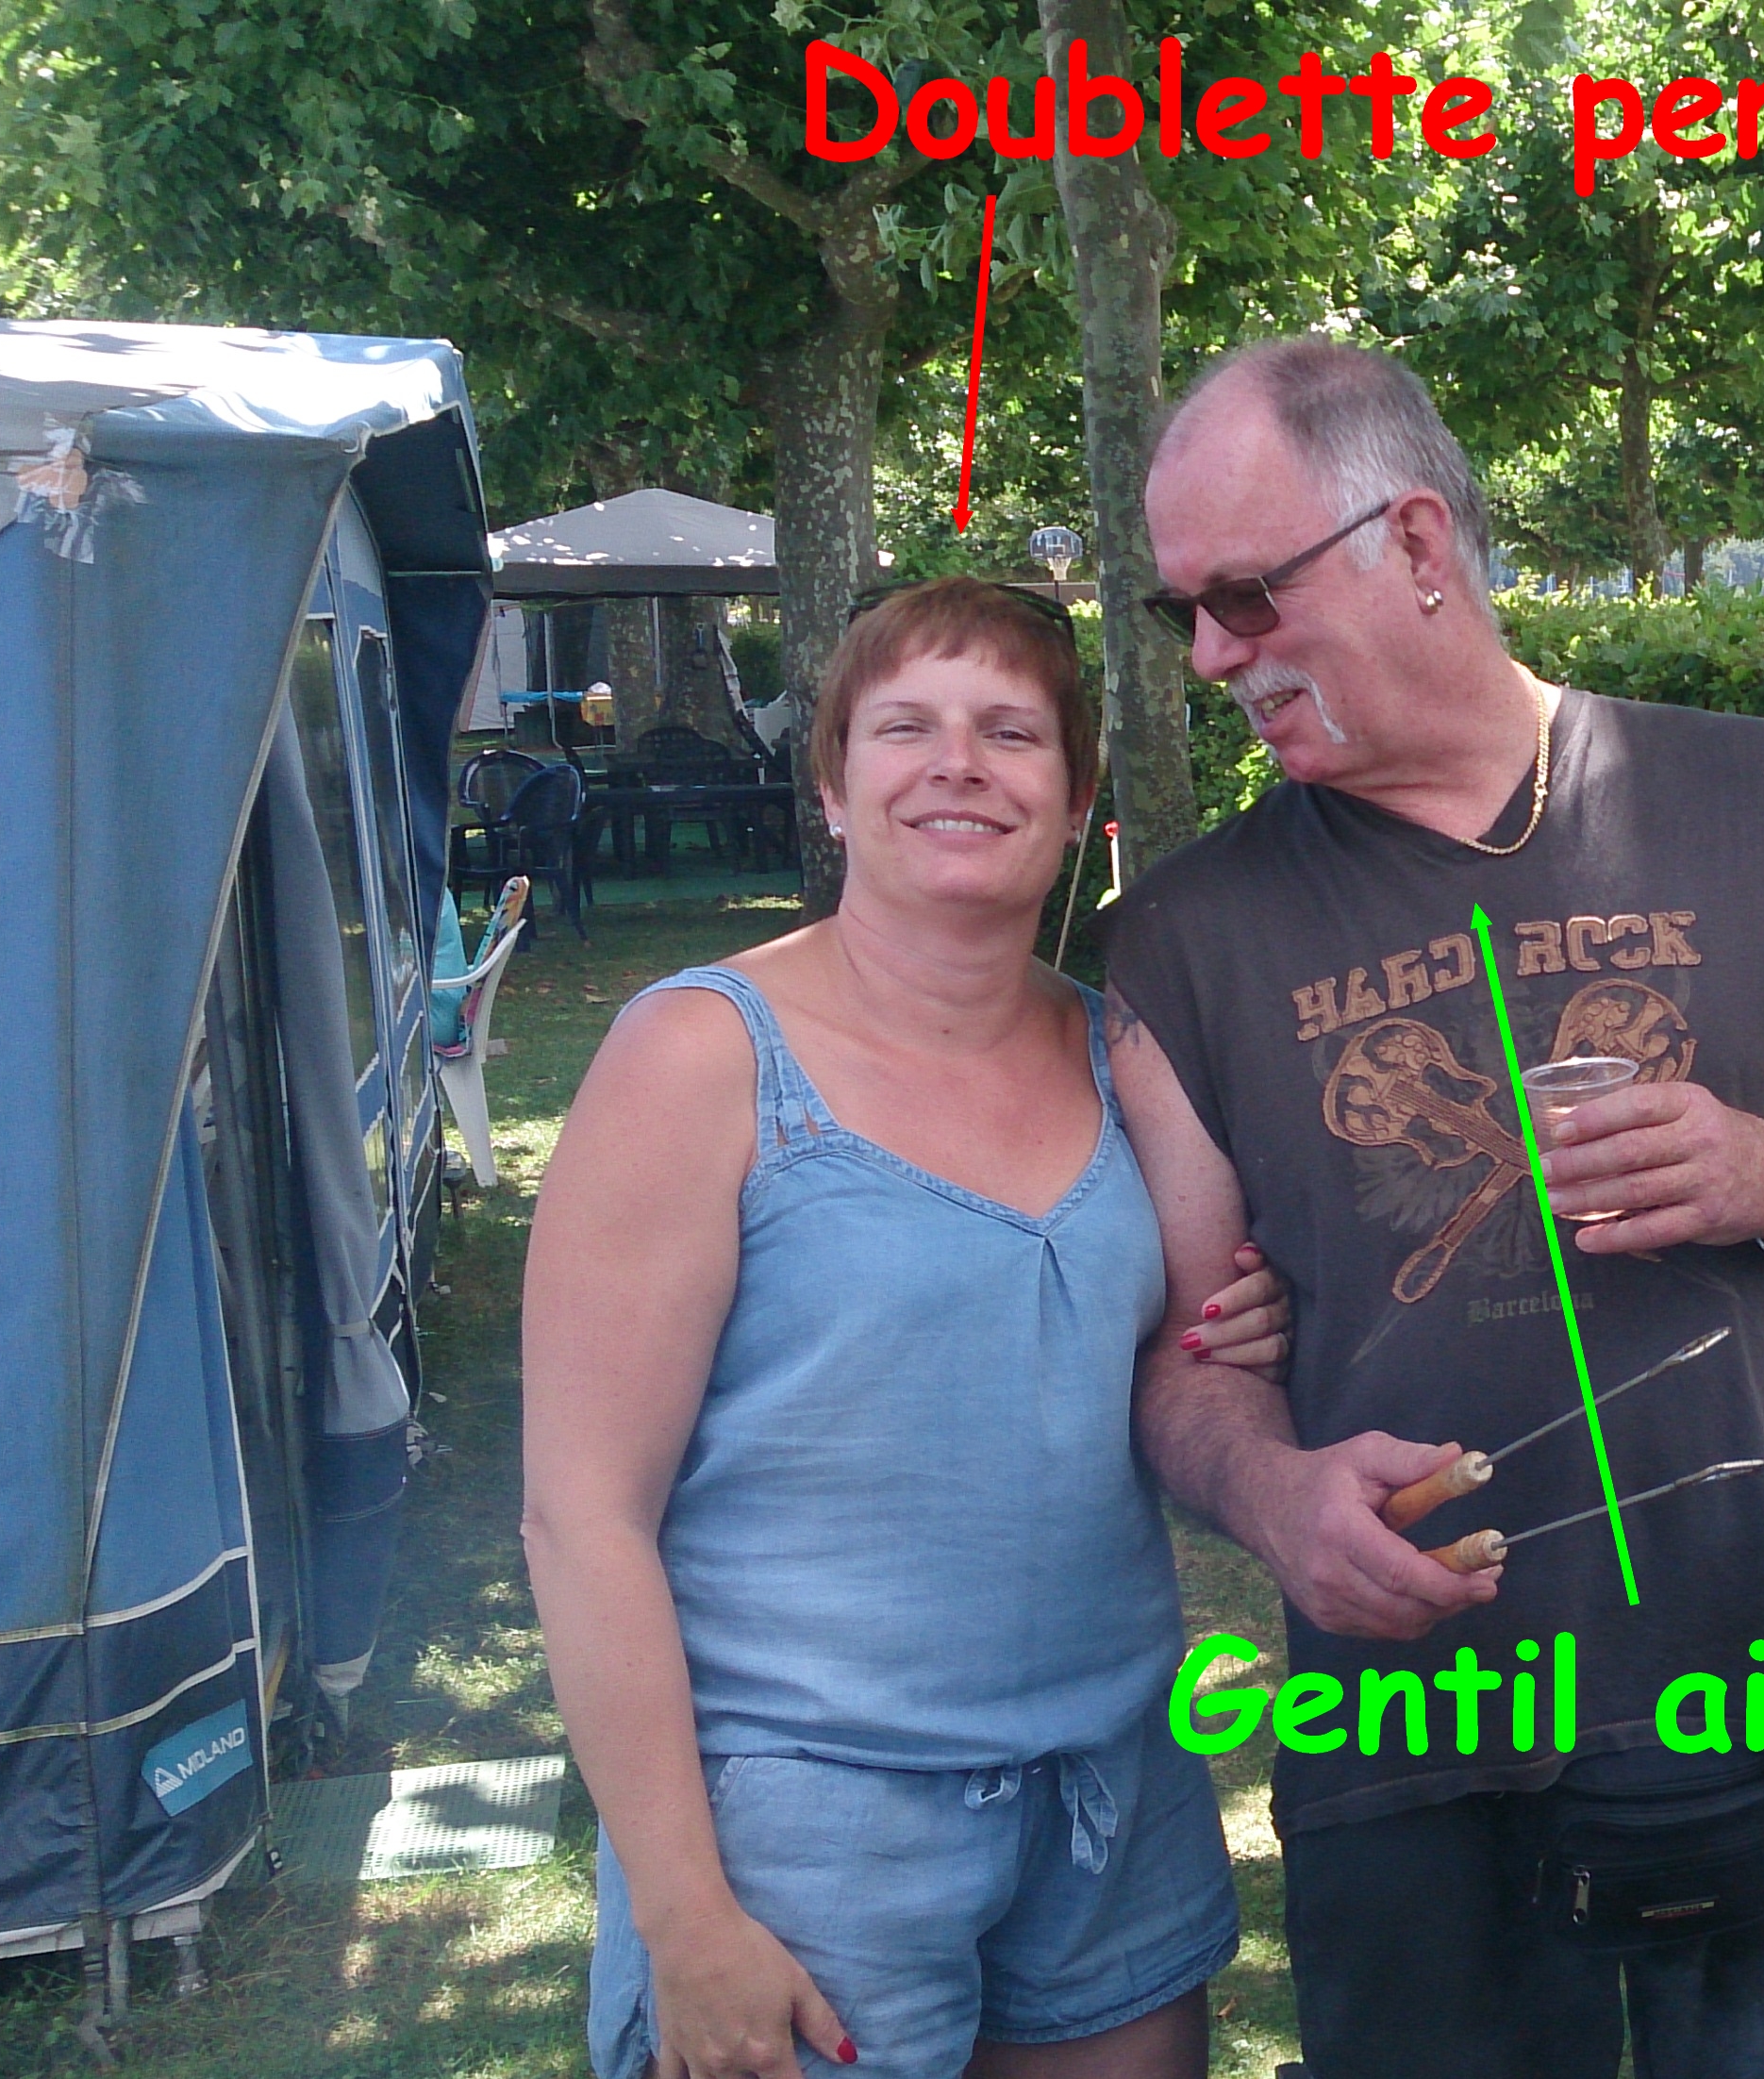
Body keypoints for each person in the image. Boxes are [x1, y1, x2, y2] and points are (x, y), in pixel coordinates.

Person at [1100, 339, 1764, 2079]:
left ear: (1417, 543)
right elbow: (1189, 1359)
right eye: (1182, 612)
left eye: (1247, 599)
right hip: (1409, 1759)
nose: (1212, 656)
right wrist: (1270, 1495)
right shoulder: (1184, 939)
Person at [523, 580, 1286, 2079]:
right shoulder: (701, 1057)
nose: (958, 765)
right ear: (831, 785)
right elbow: (582, 1517)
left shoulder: (1124, 1055)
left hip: (1112, 1789)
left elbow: (1178, 1354)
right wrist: (684, 1913)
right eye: (905, 728)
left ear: (1076, 799)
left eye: (1011, 732)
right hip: (803, 1831)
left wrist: (1250, 1319)